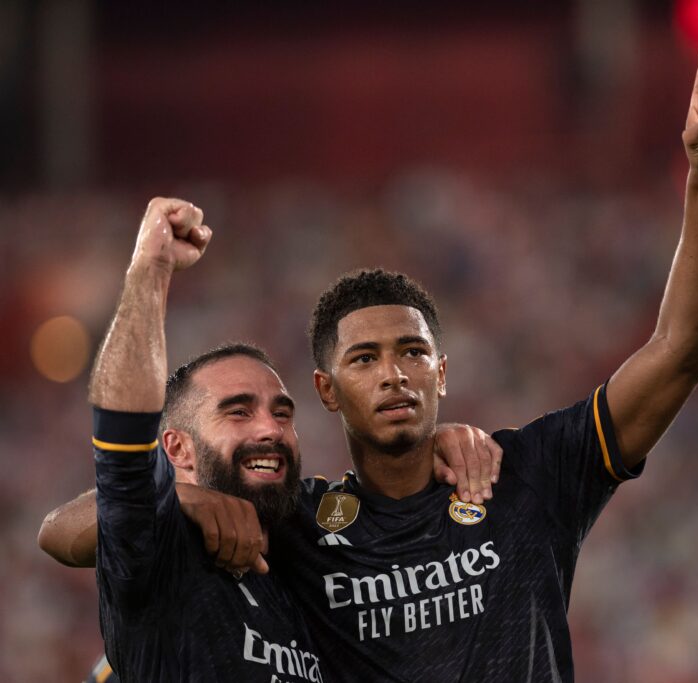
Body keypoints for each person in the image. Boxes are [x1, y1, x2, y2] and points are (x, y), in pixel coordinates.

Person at [267, 42, 698, 681]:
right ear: (326, 390)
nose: (394, 373)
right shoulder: (296, 530)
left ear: (441, 372)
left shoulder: (528, 478)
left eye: (413, 352)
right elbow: (117, 533)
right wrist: (195, 505)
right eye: (364, 358)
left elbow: (685, 349)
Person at [53, 197, 501, 681]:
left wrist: (429, 441)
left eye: (282, 412)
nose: (269, 428)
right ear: (177, 449)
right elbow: (99, 483)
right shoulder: (164, 558)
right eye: (238, 412)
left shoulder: (303, 570)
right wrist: (150, 274)